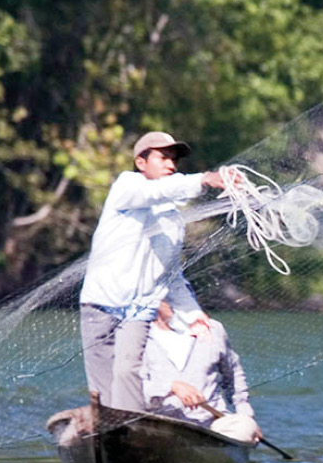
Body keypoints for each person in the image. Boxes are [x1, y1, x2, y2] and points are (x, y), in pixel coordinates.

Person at [79, 131, 231, 411]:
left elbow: (172, 277)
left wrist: (195, 315)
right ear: (141, 162)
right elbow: (157, 191)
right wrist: (205, 178)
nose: (171, 166)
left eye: (174, 160)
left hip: (139, 309)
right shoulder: (127, 186)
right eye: (163, 158)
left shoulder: (173, 218)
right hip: (100, 303)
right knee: (102, 386)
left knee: (127, 372)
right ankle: (109, 429)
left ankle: (131, 430)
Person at [142, 300, 262, 443]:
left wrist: (245, 414)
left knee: (244, 426)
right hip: (155, 424)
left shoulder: (213, 329)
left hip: (212, 425)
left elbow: (233, 373)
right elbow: (129, 386)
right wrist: (171, 387)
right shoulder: (135, 336)